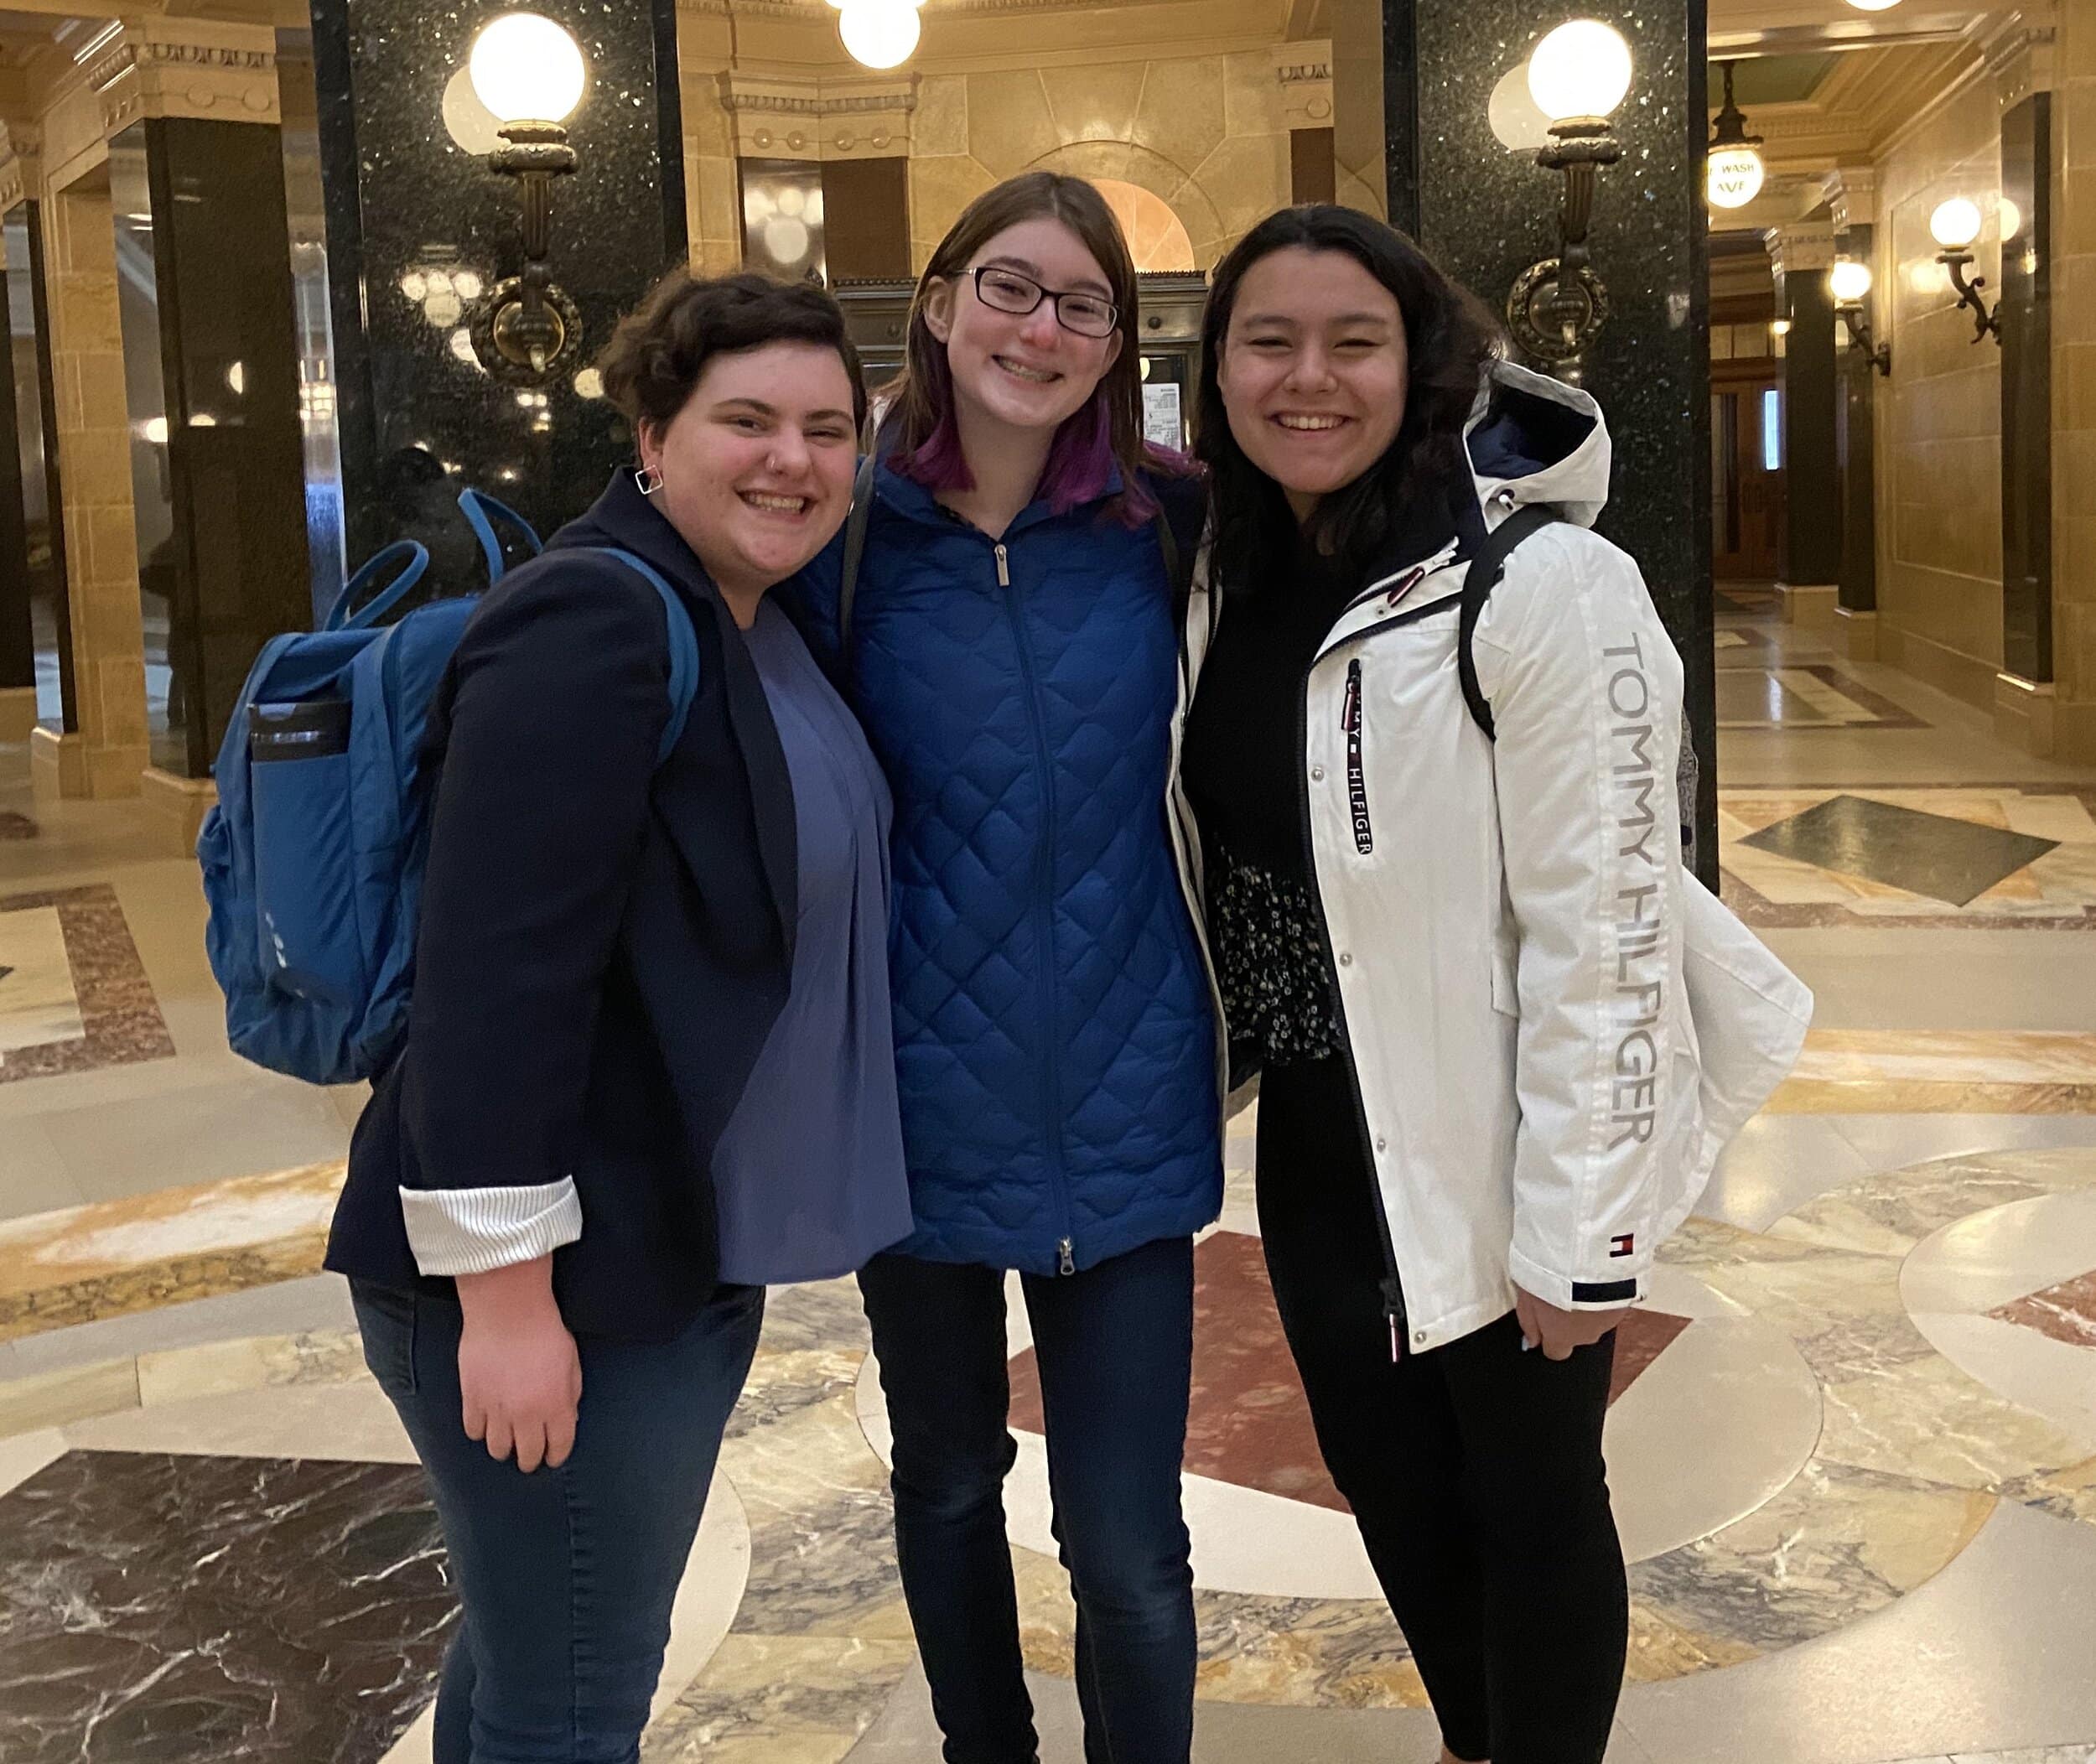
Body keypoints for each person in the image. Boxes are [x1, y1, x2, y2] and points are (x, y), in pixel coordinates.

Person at [324, 272, 914, 1764]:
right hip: (555, 1276)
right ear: (652, 433)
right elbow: (494, 980)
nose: (793, 459)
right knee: (573, 1703)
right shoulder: (596, 613)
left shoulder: (746, 615)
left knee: (533, 1665)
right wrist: (507, 1297)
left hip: (659, 1246)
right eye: (748, 420)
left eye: (829, 428)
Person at [1180, 204, 1699, 1764]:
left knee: (1534, 1497)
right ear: (1216, 369)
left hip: (1494, 1129)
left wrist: (1583, 1230)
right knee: (1388, 1476)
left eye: (1355, 342)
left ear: (1427, 362)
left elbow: (1608, 935)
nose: (1309, 380)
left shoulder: (1543, 586)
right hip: (1324, 1130)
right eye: (1268, 342)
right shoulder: (1229, 567)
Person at [791, 172, 1222, 1764]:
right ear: (938, 299)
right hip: (911, 1096)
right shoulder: (843, 527)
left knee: (1127, 1546)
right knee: (950, 1487)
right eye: (1009, 288)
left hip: (1129, 1080)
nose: (1041, 329)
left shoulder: (1166, 523)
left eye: (1083, 303)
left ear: (1117, 340)